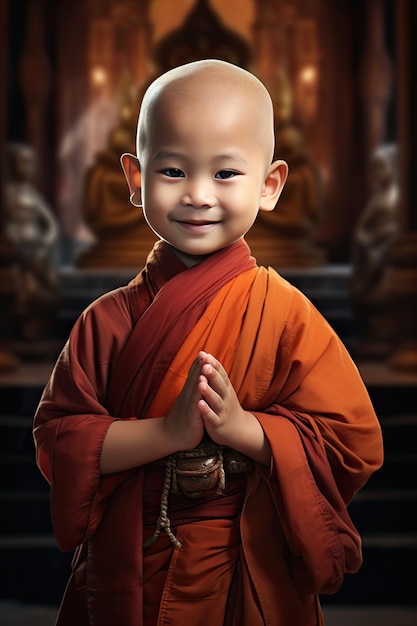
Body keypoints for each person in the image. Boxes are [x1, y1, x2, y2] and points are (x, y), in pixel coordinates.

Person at [33, 59, 383, 626]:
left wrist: (247, 431)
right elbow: (57, 441)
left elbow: (354, 441)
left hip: (243, 563)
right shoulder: (107, 321)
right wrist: (166, 435)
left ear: (270, 186)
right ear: (134, 179)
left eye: (225, 174)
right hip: (129, 563)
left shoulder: (285, 312)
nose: (197, 195)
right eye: (172, 171)